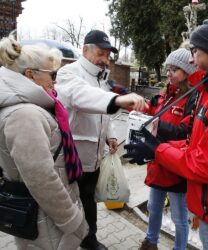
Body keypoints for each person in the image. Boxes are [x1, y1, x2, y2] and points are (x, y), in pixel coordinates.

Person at [124, 17, 208, 249]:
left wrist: (157, 150)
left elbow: (207, 164)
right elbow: (193, 144)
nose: (191, 57)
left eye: (194, 50)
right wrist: (154, 146)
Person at [55, 30, 147, 250]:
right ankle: (66, 241)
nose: (105, 60)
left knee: (89, 200)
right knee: (68, 203)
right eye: (101, 53)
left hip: (95, 156)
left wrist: (110, 135)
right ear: (85, 49)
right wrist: (118, 99)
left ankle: (89, 239)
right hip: (72, 155)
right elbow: (83, 97)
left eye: (108, 55)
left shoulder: (102, 78)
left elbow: (102, 112)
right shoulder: (69, 73)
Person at [0, 35, 88, 249]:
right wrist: (71, 219)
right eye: (53, 74)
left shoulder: (28, 107)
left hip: (46, 215)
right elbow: (41, 179)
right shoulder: (25, 115)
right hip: (46, 219)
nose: (55, 81)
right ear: (30, 74)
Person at [139, 48, 197, 250]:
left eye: (174, 69)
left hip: (176, 167)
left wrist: (155, 124)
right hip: (158, 162)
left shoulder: (193, 98)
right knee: (153, 208)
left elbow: (185, 131)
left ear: (187, 71)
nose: (169, 73)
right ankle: (150, 242)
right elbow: (151, 110)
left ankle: (179, 248)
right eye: (168, 68)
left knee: (179, 217)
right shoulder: (164, 95)